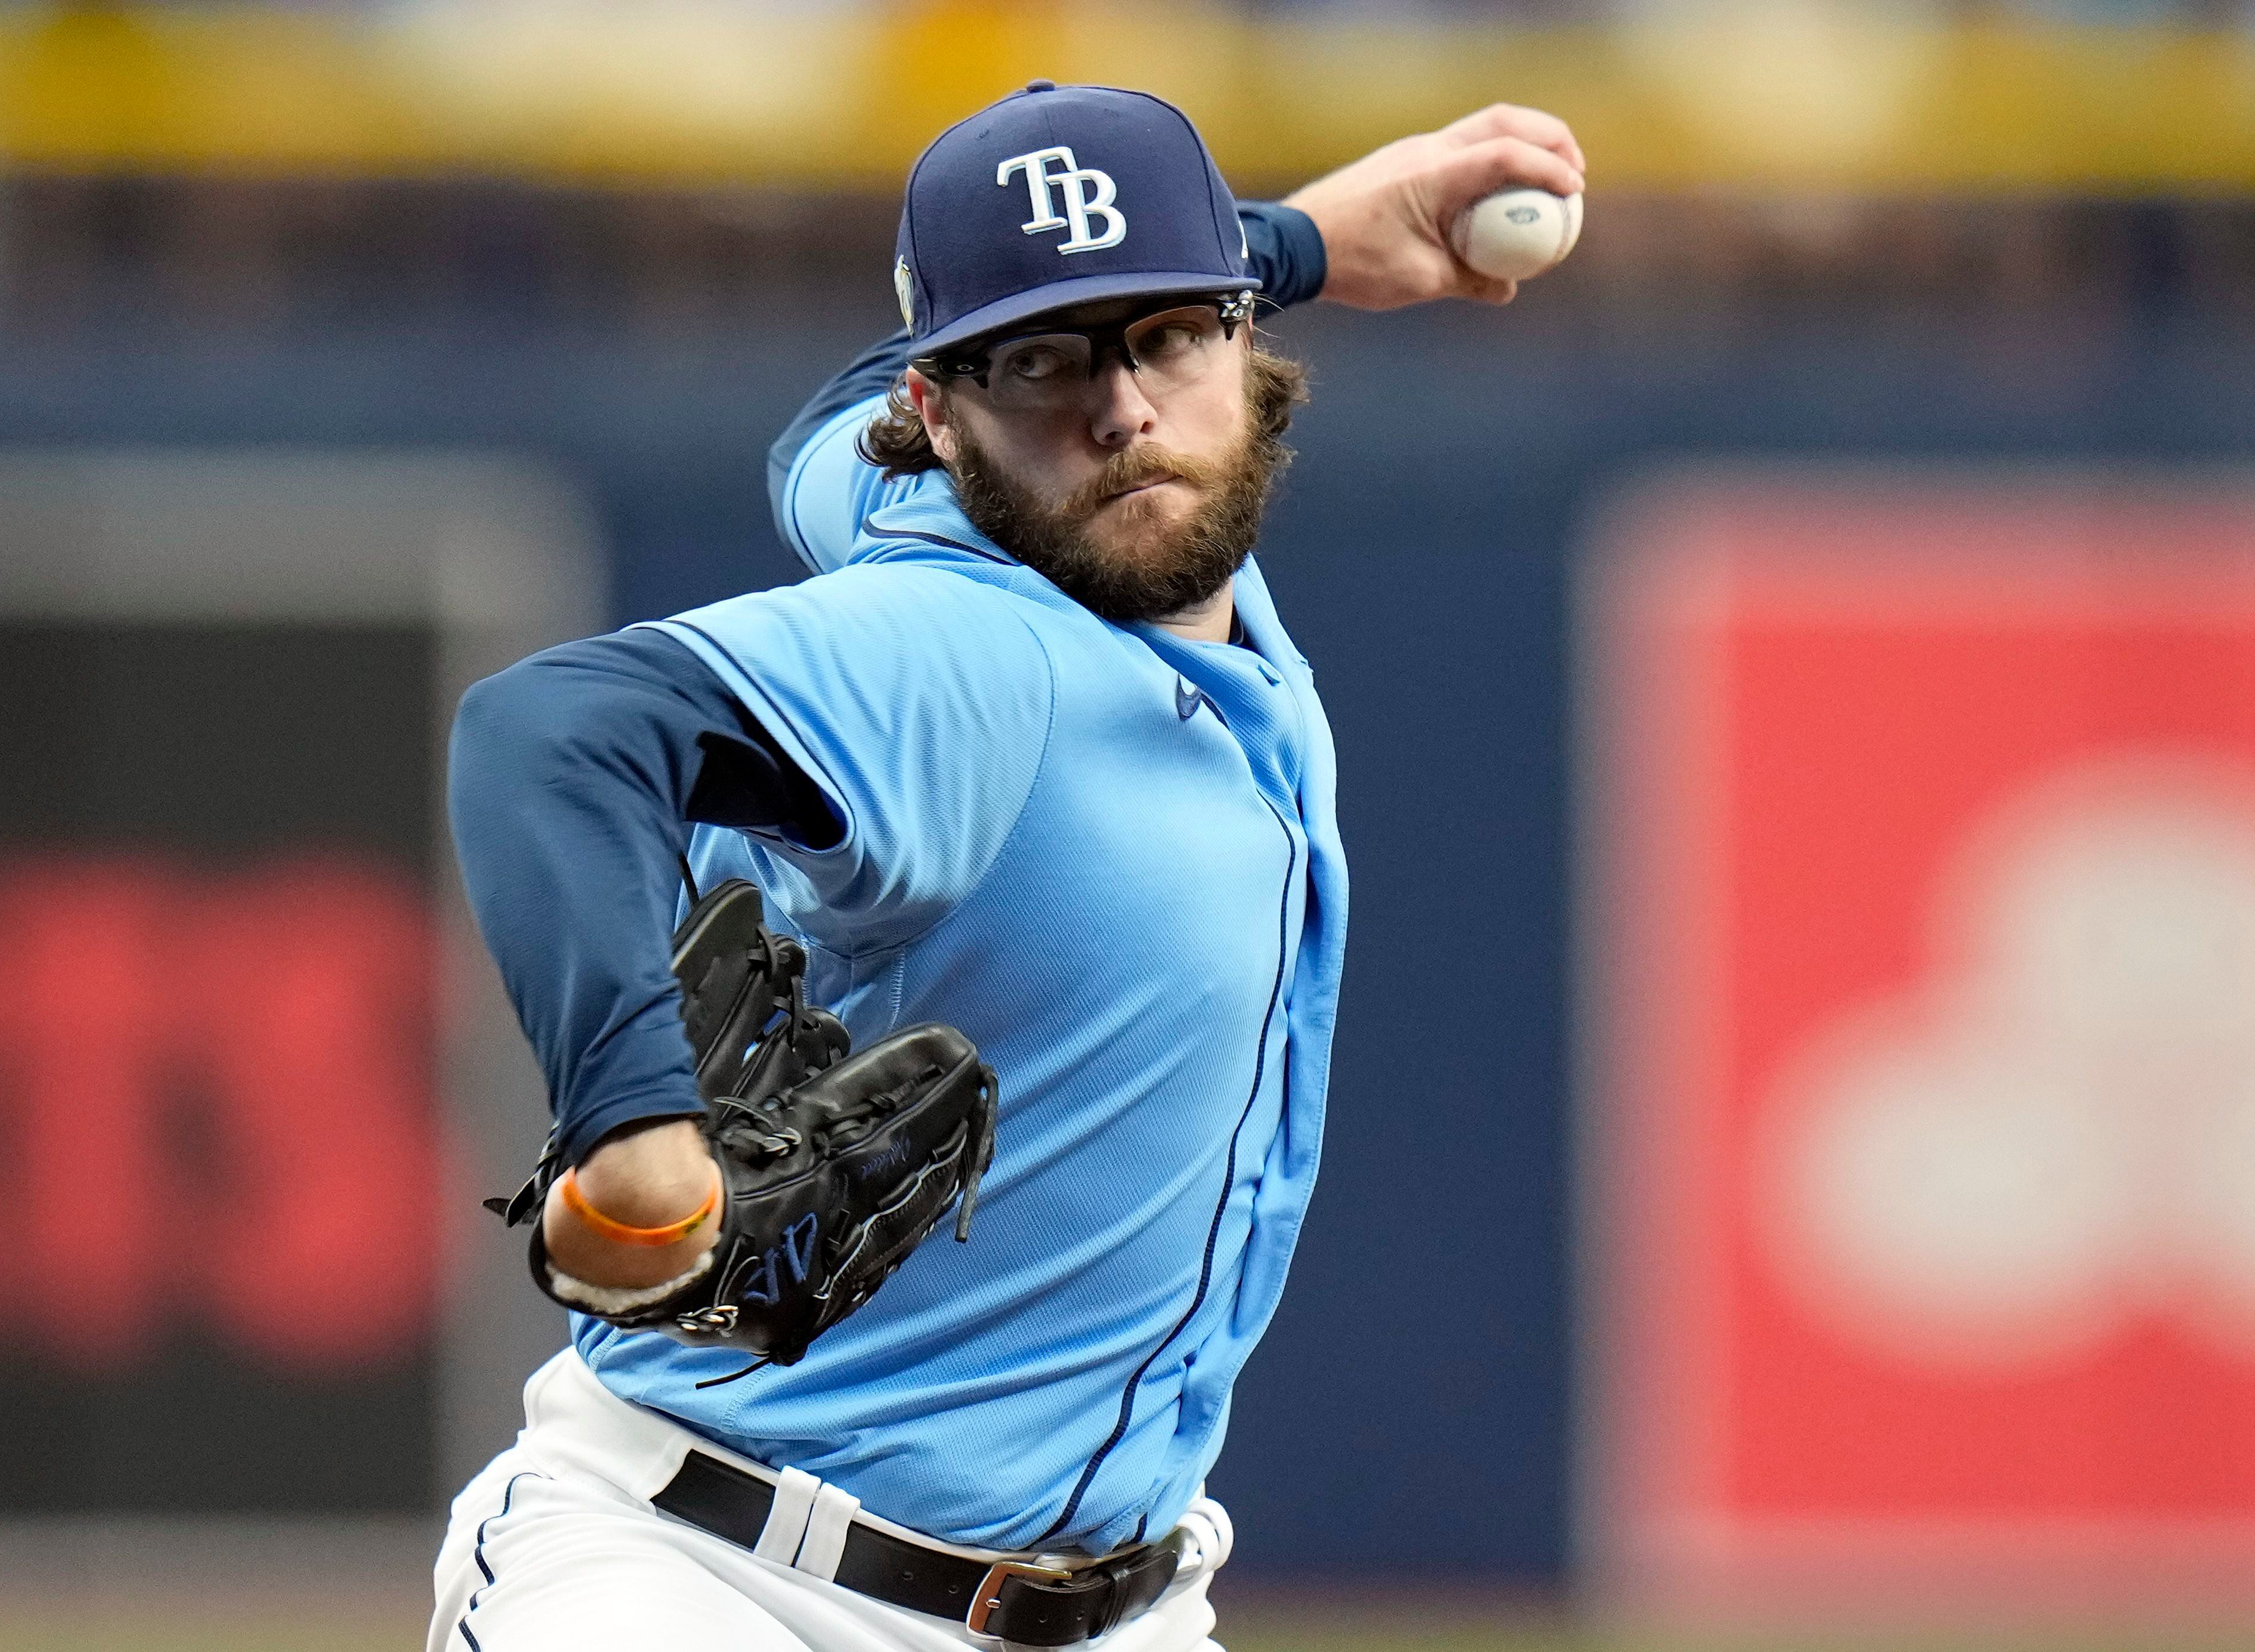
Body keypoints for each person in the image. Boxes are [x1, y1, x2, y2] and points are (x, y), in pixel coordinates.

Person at [437, 82, 1585, 1652]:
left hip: (1116, 1611)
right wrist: (630, 1127)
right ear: (939, 408)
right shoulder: (969, 653)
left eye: (1169, 332)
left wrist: (1306, 236)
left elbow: (837, 414)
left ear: (1244, 340)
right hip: (704, 1585)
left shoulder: (975, 497)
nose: (1118, 410)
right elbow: (547, 737)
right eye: (1043, 361)